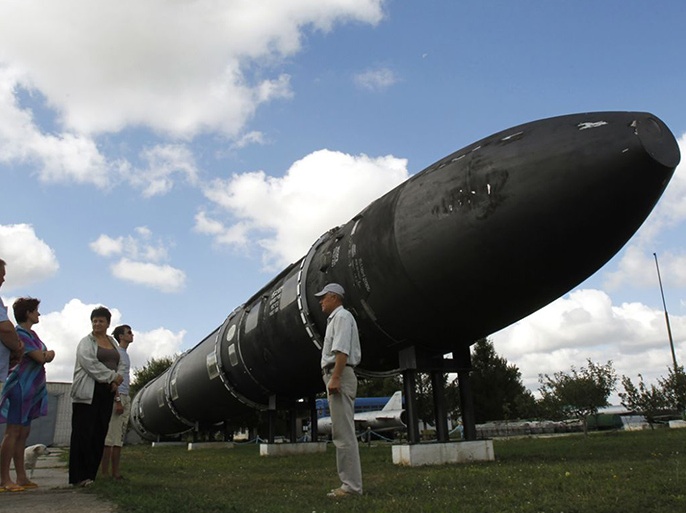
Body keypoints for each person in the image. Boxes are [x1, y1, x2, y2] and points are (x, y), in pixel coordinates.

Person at [0, 298, 55, 492]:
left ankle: (21, 476)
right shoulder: (20, 334)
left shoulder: (33, 334)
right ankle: (4, 478)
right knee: (13, 432)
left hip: (32, 389)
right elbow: (41, 356)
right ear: (28, 313)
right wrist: (46, 355)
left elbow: (46, 354)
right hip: (20, 387)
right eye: (36, 311)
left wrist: (46, 355)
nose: (38, 314)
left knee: (23, 433)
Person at [315, 283, 363, 498]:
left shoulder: (342, 317)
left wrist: (335, 377)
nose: (320, 301)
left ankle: (350, 487)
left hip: (339, 374)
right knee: (342, 431)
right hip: (337, 374)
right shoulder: (337, 319)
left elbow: (341, 349)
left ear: (334, 297)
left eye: (324, 297)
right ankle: (349, 484)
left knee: (343, 433)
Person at [68, 306, 124, 487]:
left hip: (106, 391)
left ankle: (91, 475)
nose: (97, 324)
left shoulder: (113, 343)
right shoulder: (86, 342)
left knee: (99, 433)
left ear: (108, 323)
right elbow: (89, 364)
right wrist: (111, 377)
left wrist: (116, 381)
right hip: (88, 392)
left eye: (101, 321)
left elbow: (120, 363)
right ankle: (78, 476)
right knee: (84, 432)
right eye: (94, 321)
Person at [101, 324, 133, 480]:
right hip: (118, 397)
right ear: (121, 336)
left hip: (126, 396)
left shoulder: (125, 354)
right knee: (110, 438)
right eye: (129, 332)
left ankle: (115, 472)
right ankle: (106, 473)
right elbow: (114, 379)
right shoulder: (117, 354)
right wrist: (118, 399)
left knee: (119, 438)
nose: (132, 335)